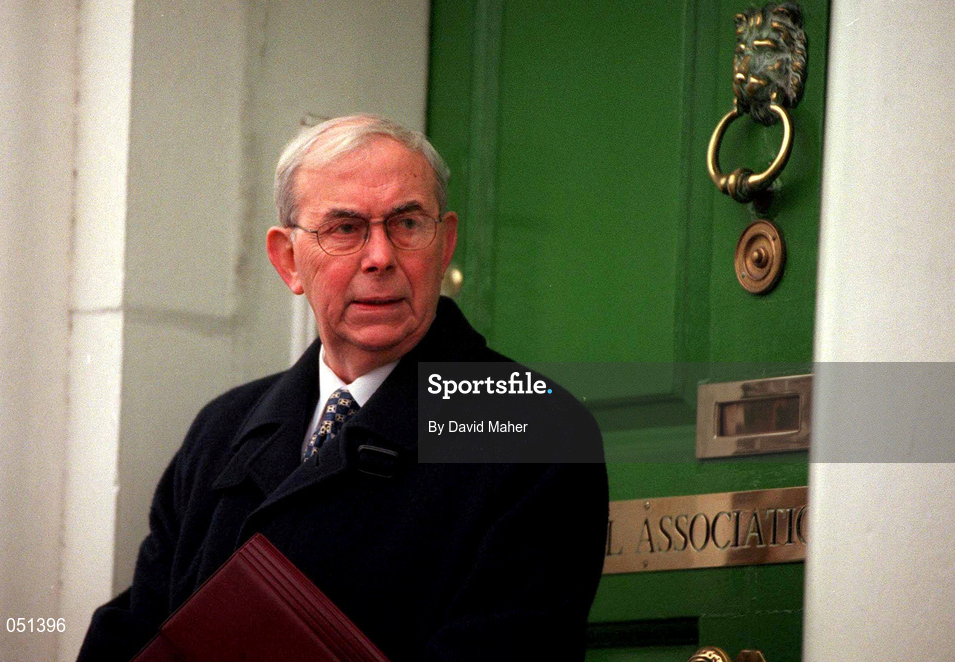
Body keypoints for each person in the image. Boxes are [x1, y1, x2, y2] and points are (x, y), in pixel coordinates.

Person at [78, 114, 608, 661]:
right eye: (345, 229)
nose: (379, 257)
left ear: (444, 243)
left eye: (406, 224)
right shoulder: (222, 430)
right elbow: (135, 631)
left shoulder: (535, 432)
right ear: (289, 260)